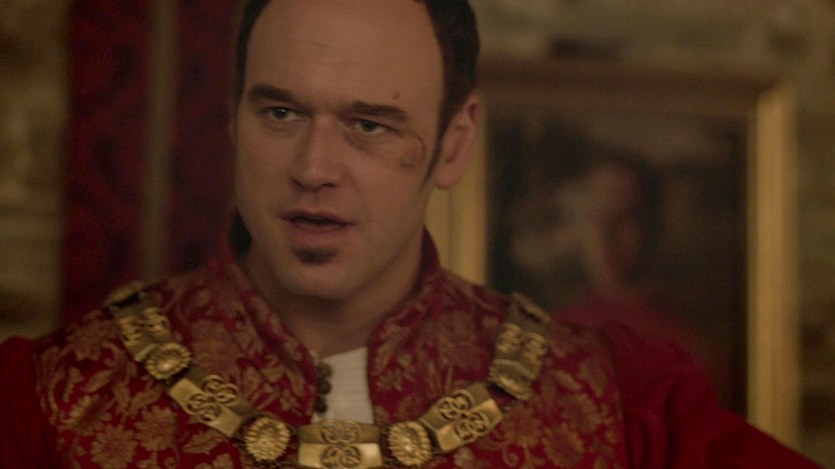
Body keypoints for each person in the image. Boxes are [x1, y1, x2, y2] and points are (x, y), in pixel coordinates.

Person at [0, 0, 822, 467]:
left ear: (453, 144)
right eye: (280, 113)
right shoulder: (50, 400)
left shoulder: (623, 405)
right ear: (232, 120)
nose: (313, 167)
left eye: (369, 125)